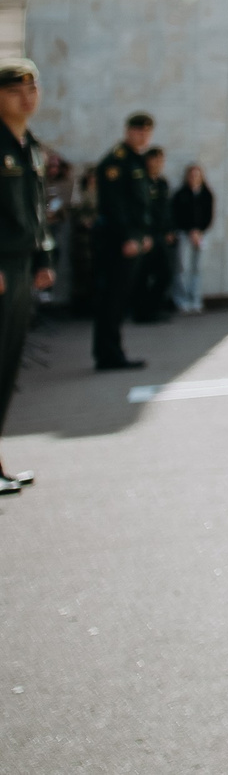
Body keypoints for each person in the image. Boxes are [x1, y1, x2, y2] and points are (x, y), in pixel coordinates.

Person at [1, 57, 56, 492]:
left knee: (7, 363)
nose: (27, 97)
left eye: (32, 88)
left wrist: (43, 259)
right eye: (16, 89)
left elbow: (37, 209)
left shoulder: (30, 144)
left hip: (21, 265)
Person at [91, 113, 155, 372]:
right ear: (128, 131)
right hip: (116, 243)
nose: (142, 136)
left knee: (119, 299)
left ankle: (114, 350)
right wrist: (129, 237)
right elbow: (114, 205)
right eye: (138, 131)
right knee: (111, 299)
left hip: (133, 241)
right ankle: (107, 354)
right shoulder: (115, 162)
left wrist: (144, 234)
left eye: (146, 132)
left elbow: (141, 204)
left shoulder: (136, 160)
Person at [132, 147, 174, 323]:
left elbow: (166, 210)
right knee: (142, 275)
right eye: (154, 160)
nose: (158, 164)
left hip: (160, 236)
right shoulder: (141, 182)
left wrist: (169, 229)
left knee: (165, 273)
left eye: (160, 160)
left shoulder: (162, 183)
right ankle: (142, 313)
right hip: (146, 236)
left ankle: (154, 308)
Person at [170, 161, 215, 315]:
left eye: (197, 175)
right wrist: (190, 230)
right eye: (192, 175)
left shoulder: (206, 194)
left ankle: (195, 299)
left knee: (198, 267)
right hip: (184, 234)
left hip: (200, 235)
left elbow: (209, 216)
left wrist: (199, 231)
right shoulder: (181, 194)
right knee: (182, 267)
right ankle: (181, 299)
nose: (194, 178)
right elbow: (178, 215)